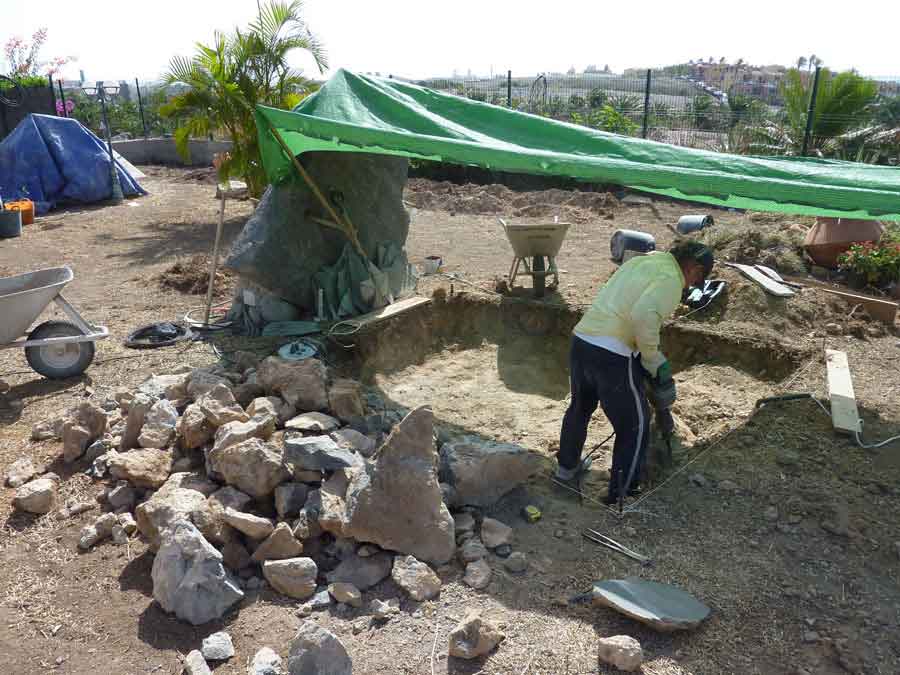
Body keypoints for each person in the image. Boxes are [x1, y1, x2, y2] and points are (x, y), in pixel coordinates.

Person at [556, 239, 714, 503]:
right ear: (694, 269)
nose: (691, 286)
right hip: (613, 353)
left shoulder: (643, 261)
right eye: (697, 280)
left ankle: (566, 469)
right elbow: (643, 316)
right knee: (635, 425)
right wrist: (653, 359)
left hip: (583, 340)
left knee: (579, 408)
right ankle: (623, 494)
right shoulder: (671, 278)